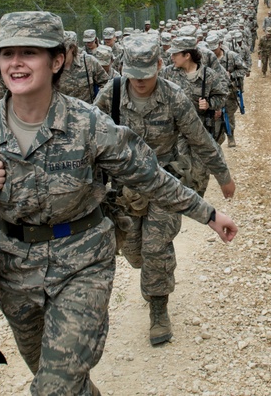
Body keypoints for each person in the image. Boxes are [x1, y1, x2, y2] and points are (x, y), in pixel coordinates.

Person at [0, 11, 238, 396]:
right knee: (58, 378)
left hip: (81, 264)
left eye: (29, 53)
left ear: (58, 59)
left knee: (53, 387)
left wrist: (209, 214)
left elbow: (150, 176)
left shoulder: (89, 124)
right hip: (13, 268)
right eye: (7, 53)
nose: (15, 63)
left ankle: (157, 304)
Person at [94, 34, 235, 346]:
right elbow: (88, 137)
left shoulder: (173, 96)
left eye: (147, 74)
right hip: (125, 186)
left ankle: (159, 309)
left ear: (158, 65)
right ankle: (152, 277)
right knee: (133, 251)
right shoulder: (111, 95)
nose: (140, 81)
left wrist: (223, 175)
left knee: (155, 247)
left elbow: (200, 138)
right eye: (134, 74)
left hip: (166, 182)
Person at [160, 35, 230, 190]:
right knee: (178, 172)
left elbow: (222, 96)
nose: (171, 57)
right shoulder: (167, 73)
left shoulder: (208, 75)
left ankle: (197, 204)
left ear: (187, 55)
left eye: (175, 54)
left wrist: (210, 104)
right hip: (176, 133)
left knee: (199, 175)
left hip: (200, 131)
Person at [57, 30, 110, 103]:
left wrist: (99, 105)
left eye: (64, 52)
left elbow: (107, 84)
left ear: (72, 48)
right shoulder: (51, 68)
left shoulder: (88, 62)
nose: (60, 57)